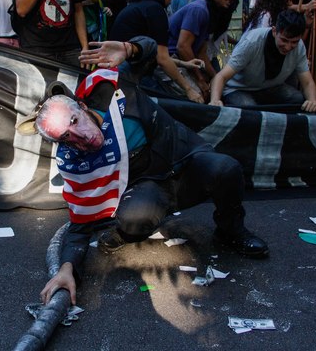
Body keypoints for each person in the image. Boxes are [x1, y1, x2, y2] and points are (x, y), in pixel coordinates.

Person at [16, 36, 269, 306]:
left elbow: (152, 51)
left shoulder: (114, 89)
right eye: (66, 137)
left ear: (83, 106)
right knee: (134, 219)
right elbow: (80, 225)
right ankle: (126, 232)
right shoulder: (76, 161)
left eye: (76, 122)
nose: (80, 138)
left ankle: (231, 230)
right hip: (148, 186)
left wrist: (129, 48)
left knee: (225, 168)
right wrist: (67, 268)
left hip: (183, 157)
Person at [110, 0, 205, 103]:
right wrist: (189, 89)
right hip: (130, 77)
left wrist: (184, 63)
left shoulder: (140, 6)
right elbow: (162, 59)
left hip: (122, 75)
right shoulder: (155, 9)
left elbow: (155, 54)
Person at [209, 9, 316, 112]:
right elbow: (221, 76)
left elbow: (307, 81)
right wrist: (215, 100)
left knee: (297, 98)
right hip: (239, 89)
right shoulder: (252, 42)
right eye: (284, 40)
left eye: (294, 42)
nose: (288, 46)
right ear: (274, 31)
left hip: (269, 88)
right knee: (250, 110)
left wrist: (313, 101)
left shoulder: (299, 47)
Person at [168, 0, 233, 98]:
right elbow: (182, 47)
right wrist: (200, 79)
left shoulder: (211, 12)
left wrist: (216, 77)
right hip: (172, 59)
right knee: (198, 97)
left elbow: (201, 52)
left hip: (186, 59)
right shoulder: (199, 10)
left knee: (216, 89)